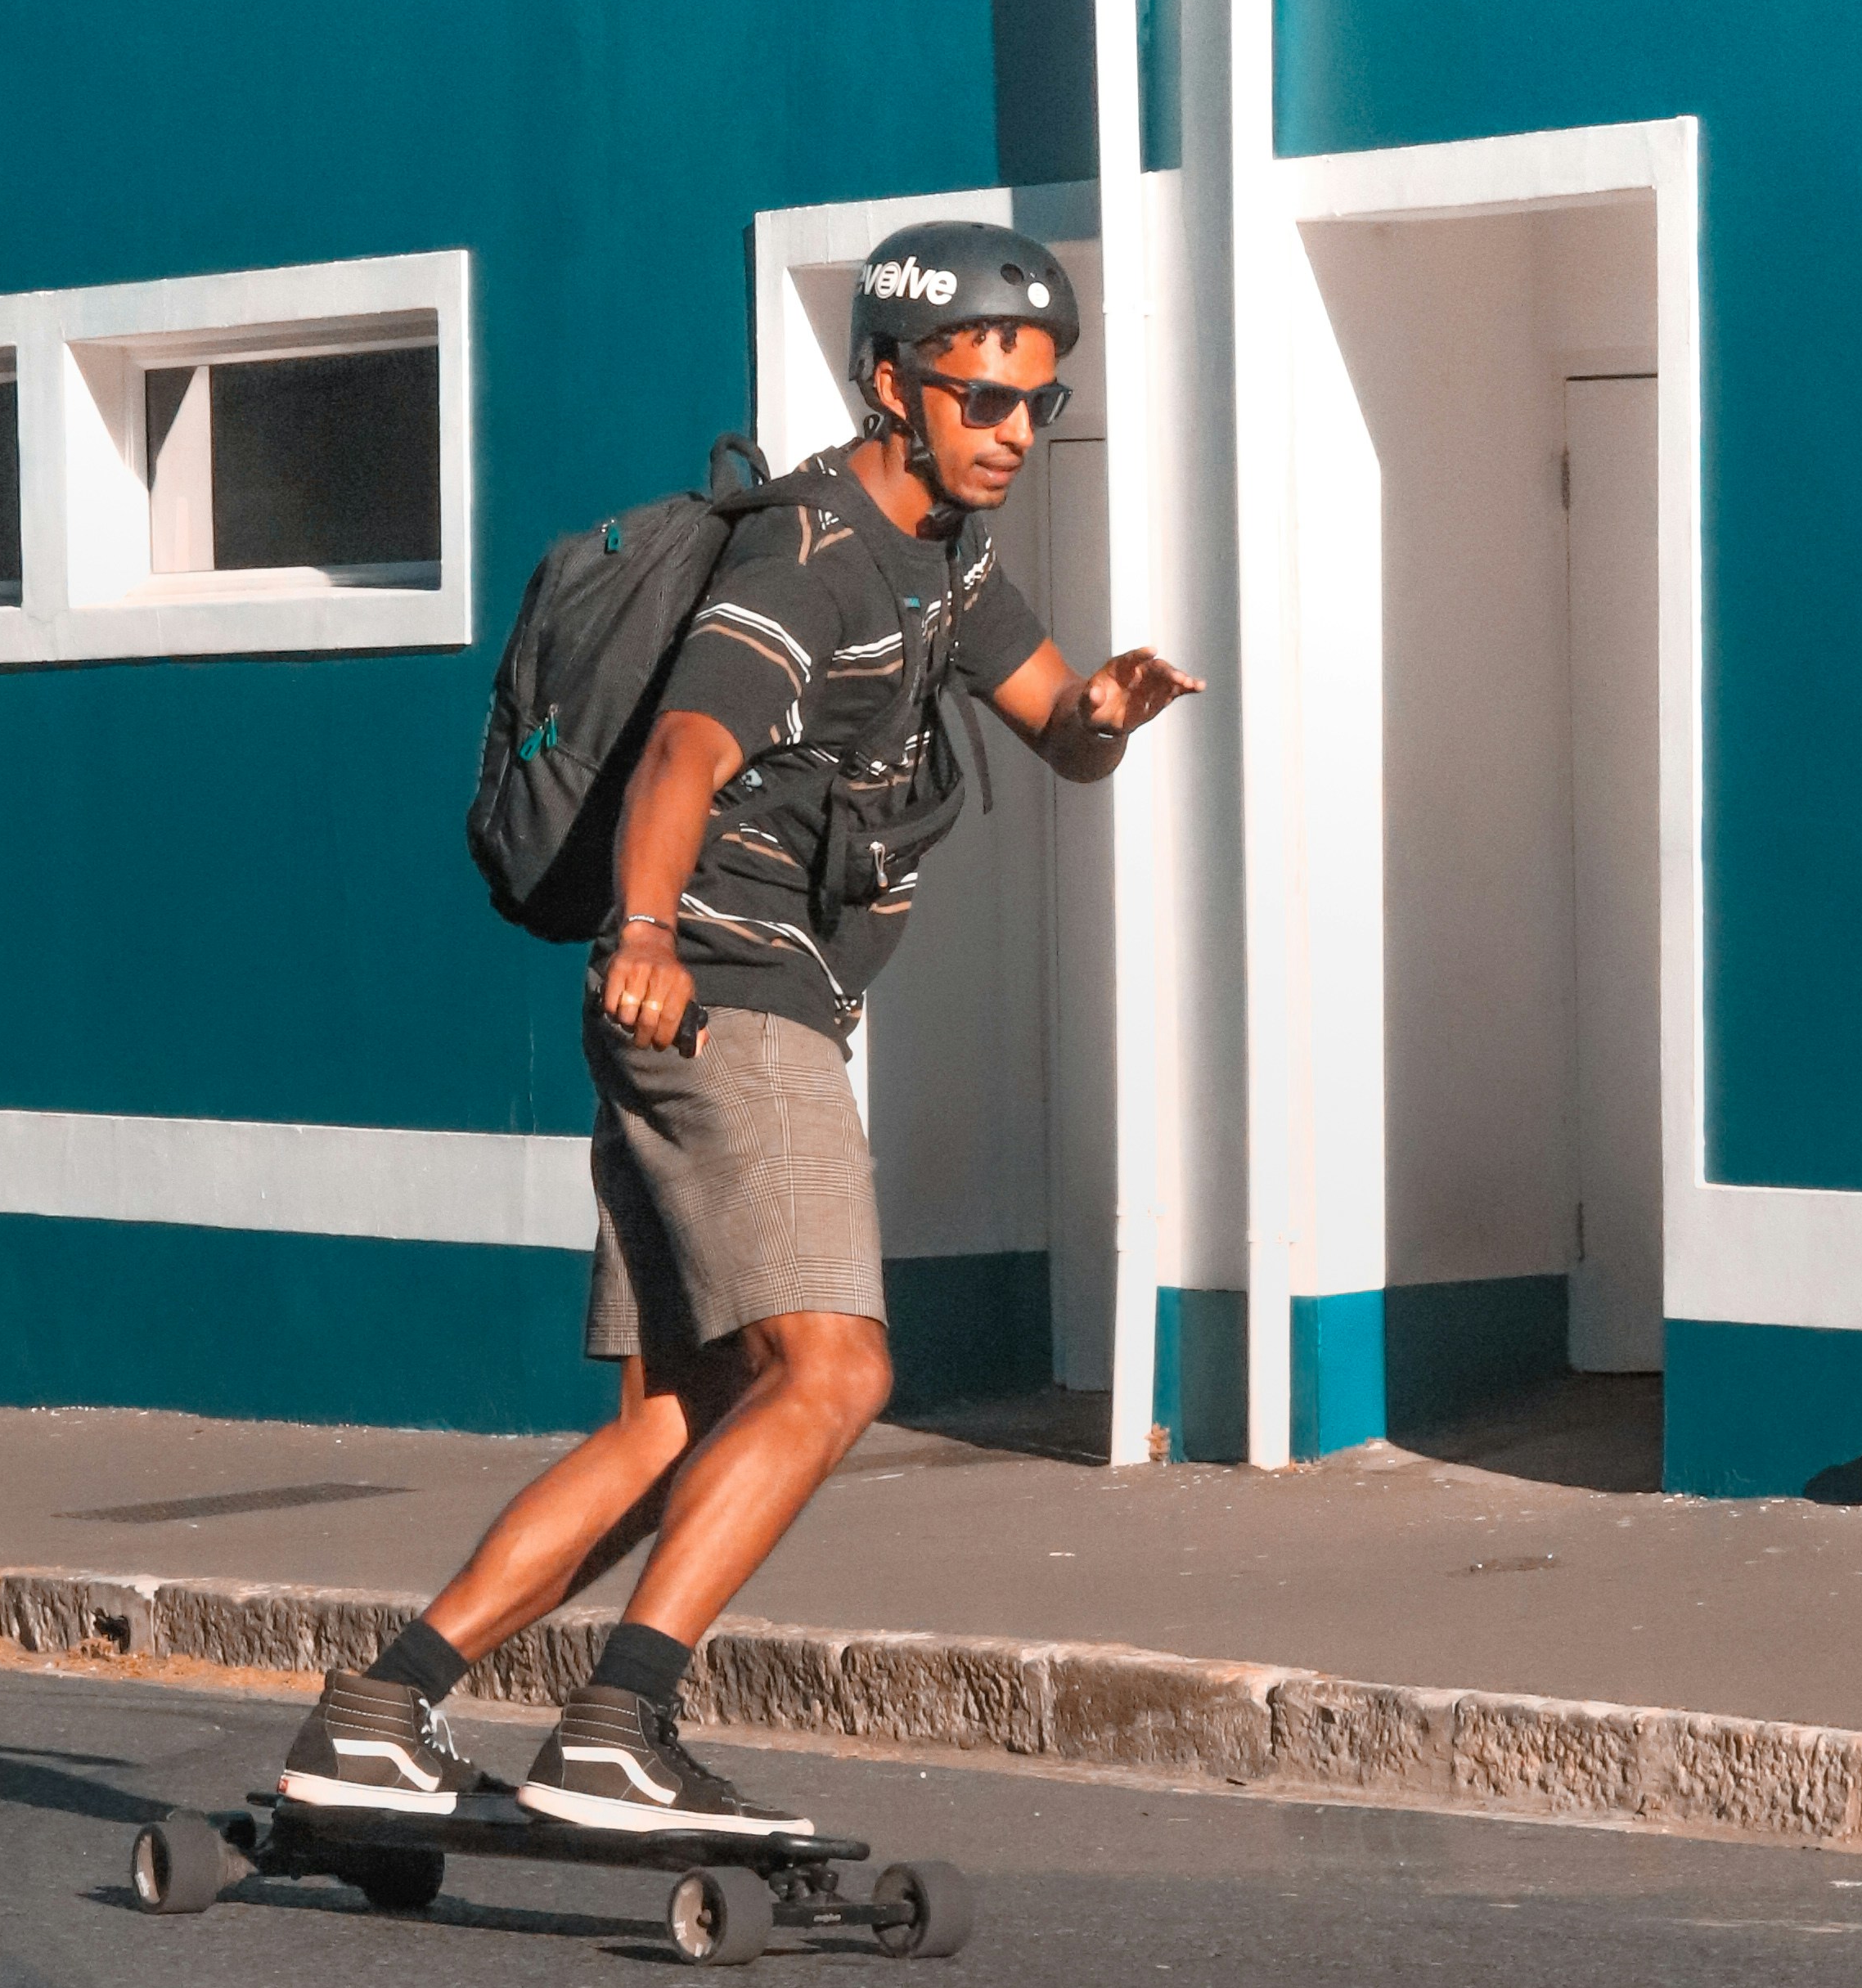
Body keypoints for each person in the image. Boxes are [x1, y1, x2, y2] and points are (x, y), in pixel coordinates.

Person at [278, 221, 1199, 1840]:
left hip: (726, 1000)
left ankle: (382, 1707)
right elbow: (684, 754)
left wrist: (1111, 709)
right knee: (836, 1371)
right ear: (890, 385)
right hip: (719, 994)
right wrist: (640, 932)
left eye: (1035, 407)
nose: (1009, 432)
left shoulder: (948, 561)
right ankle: (621, 1725)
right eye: (980, 398)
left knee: (679, 1415)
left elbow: (1055, 730)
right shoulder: (814, 555)